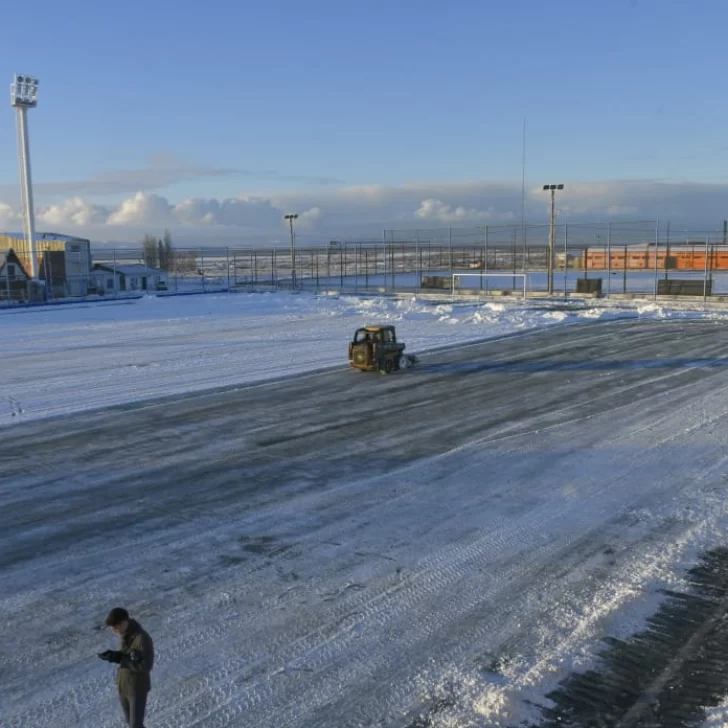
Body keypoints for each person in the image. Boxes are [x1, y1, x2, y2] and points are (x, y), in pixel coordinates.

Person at [98, 607, 155, 728]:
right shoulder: (126, 634)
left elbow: (146, 666)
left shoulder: (142, 638)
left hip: (137, 688)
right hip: (123, 686)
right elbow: (129, 656)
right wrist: (115, 656)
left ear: (124, 622)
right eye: (112, 628)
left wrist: (120, 658)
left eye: (115, 626)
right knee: (131, 724)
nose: (114, 630)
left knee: (136, 725)